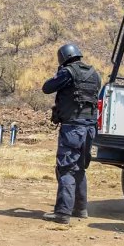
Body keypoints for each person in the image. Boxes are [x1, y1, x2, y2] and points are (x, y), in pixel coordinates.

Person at [41, 43, 102, 224]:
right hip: (90, 128)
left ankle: (62, 213)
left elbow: (47, 87)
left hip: (73, 127)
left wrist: (59, 72)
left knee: (66, 168)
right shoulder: (94, 74)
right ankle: (80, 209)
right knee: (80, 168)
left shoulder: (68, 72)